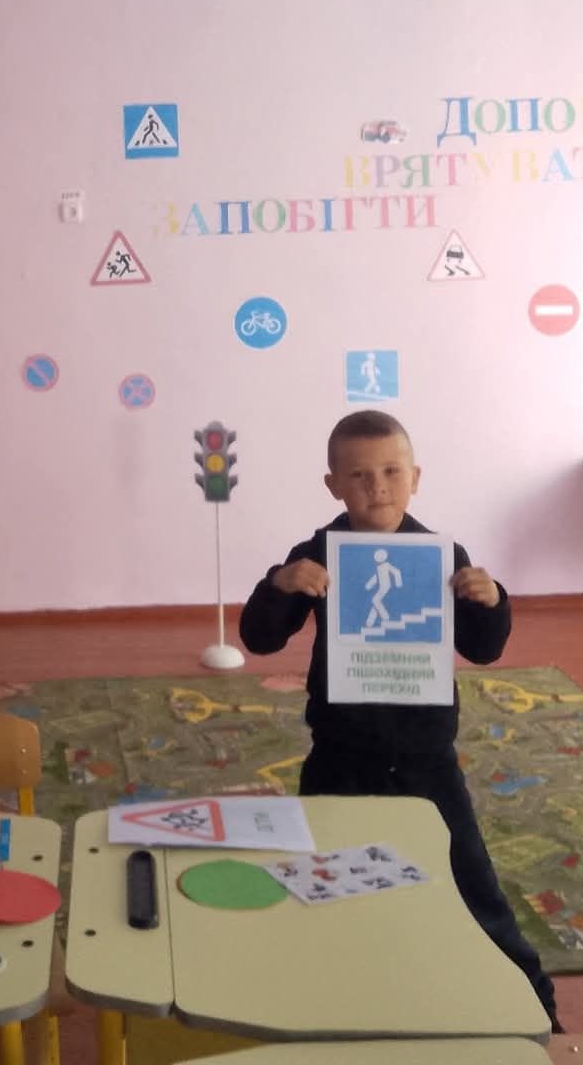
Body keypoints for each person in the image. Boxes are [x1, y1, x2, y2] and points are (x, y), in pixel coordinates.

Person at [239, 408, 560, 1032]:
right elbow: (260, 637)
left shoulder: (442, 556)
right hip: (338, 757)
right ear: (333, 484)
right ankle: (331, 1004)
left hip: (427, 762)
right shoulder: (317, 553)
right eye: (359, 475)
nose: (377, 487)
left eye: (391, 472)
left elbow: (483, 648)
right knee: (324, 885)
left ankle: (537, 1011)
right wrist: (281, 584)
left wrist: (492, 600)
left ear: (415, 478)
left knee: (473, 887)